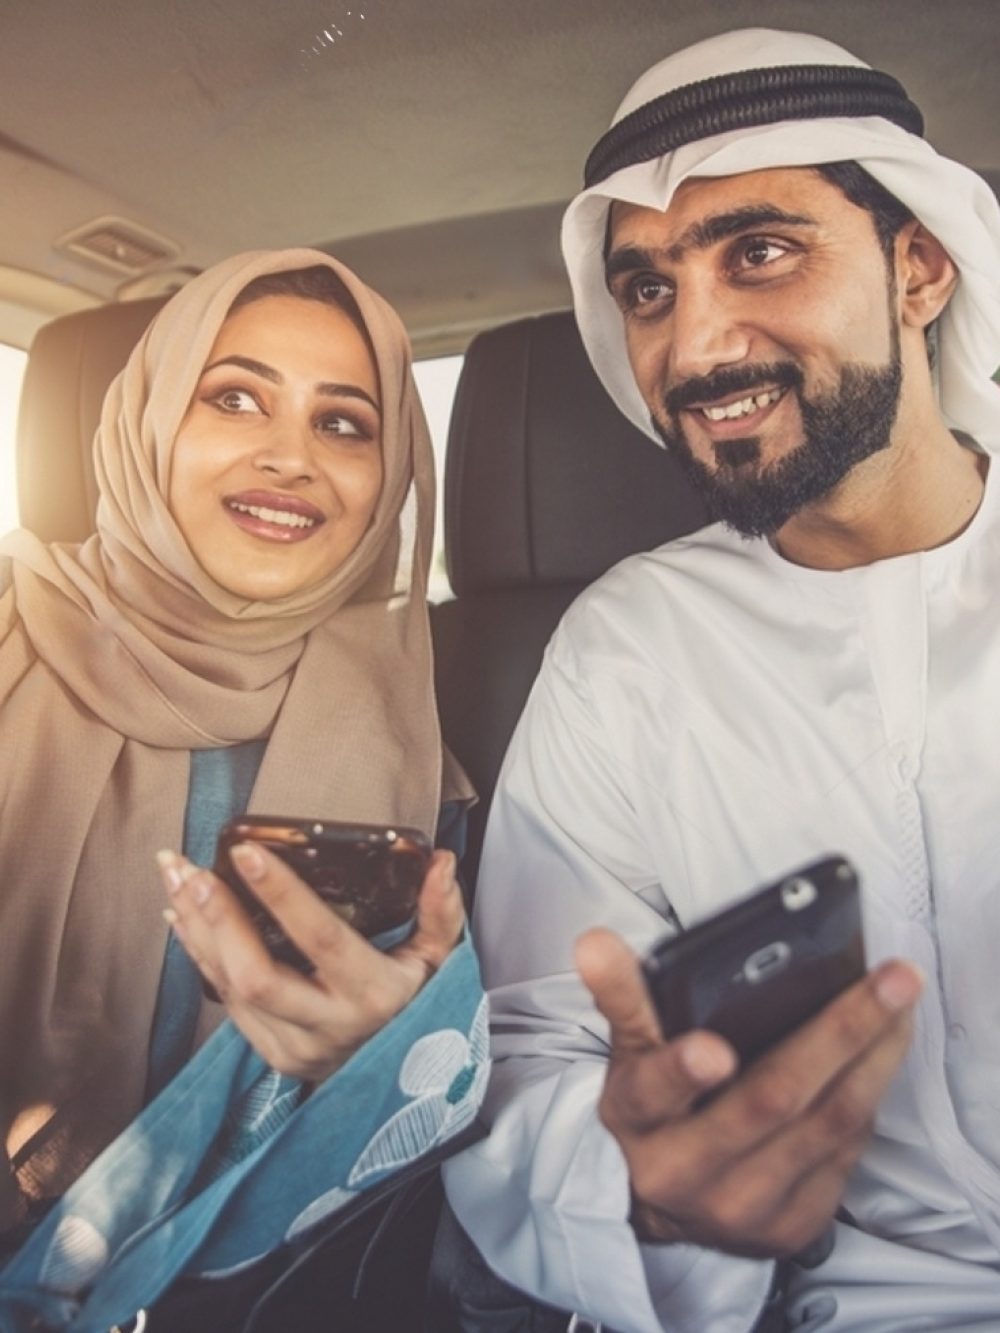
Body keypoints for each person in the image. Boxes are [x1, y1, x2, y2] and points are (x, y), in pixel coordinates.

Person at [438, 26, 1000, 1333]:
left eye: (760, 250)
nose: (694, 348)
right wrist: (643, 1188)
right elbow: (538, 1051)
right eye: (646, 291)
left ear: (918, 266)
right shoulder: (627, 648)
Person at [0, 249, 487, 1328]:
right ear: (148, 425)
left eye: (345, 424)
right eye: (234, 398)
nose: (291, 458)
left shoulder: (427, 737)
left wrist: (391, 1052)